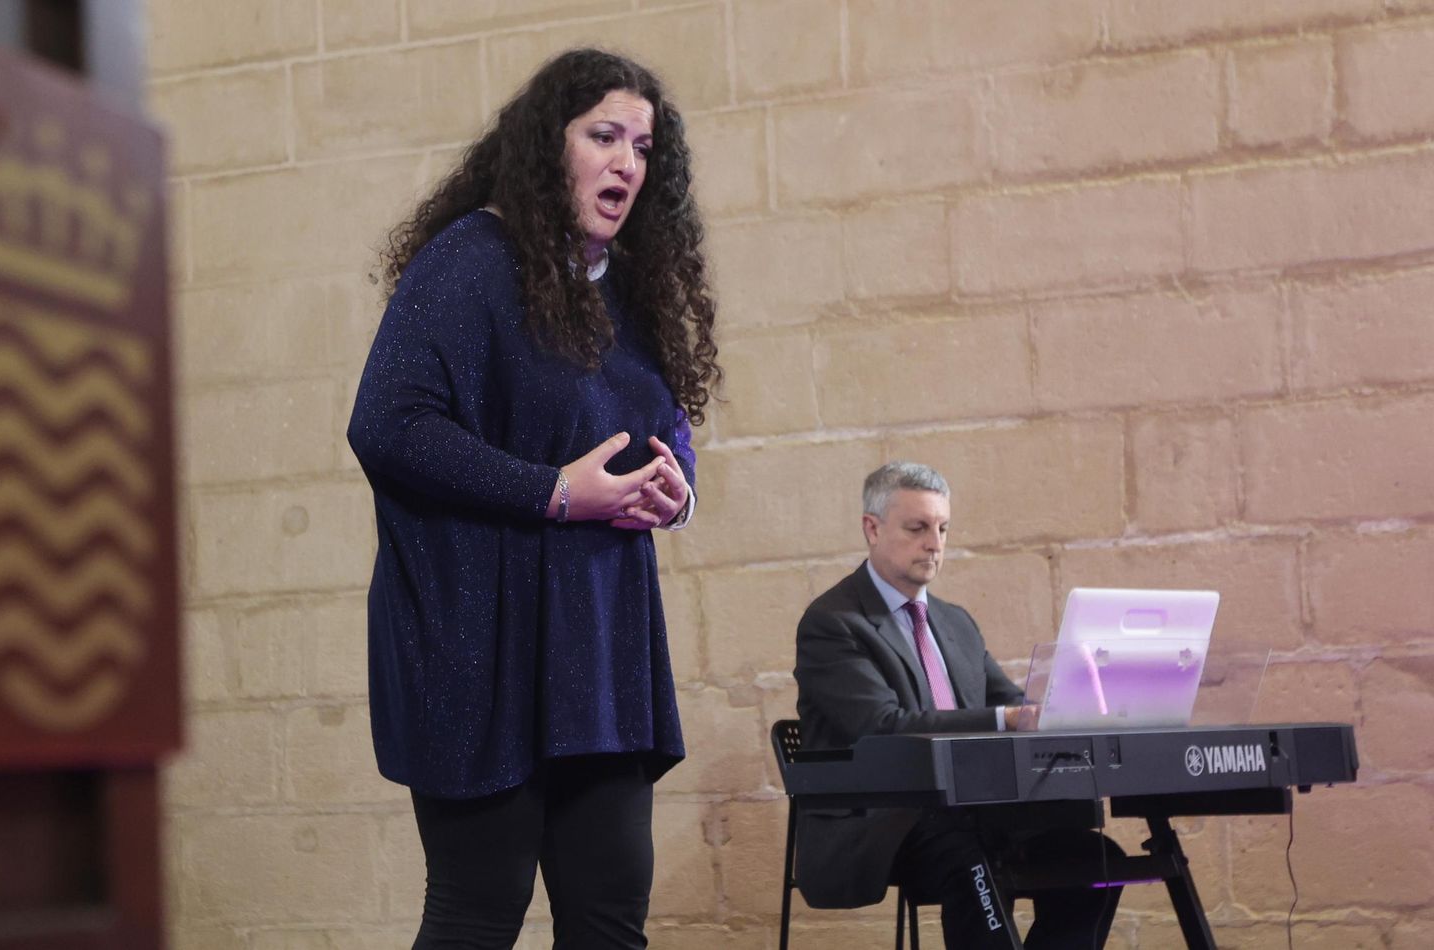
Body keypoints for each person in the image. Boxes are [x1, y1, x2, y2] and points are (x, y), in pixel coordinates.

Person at [346, 48, 720, 949]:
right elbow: (389, 424)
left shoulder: (633, 293)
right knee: (480, 911)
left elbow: (663, 430)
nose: (627, 162)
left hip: (600, 654)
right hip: (484, 645)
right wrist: (552, 492)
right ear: (545, 147)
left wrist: (677, 493)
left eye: (642, 146)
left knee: (608, 917)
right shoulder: (470, 261)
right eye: (604, 137)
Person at [793, 462, 1123, 949]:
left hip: (971, 812)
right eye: (918, 528)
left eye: (943, 528)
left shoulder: (955, 623)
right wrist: (1009, 719)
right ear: (872, 528)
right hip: (883, 821)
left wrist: (1056, 708)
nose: (935, 543)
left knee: (1097, 860)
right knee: (971, 856)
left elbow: (1009, 701)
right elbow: (881, 726)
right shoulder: (833, 622)